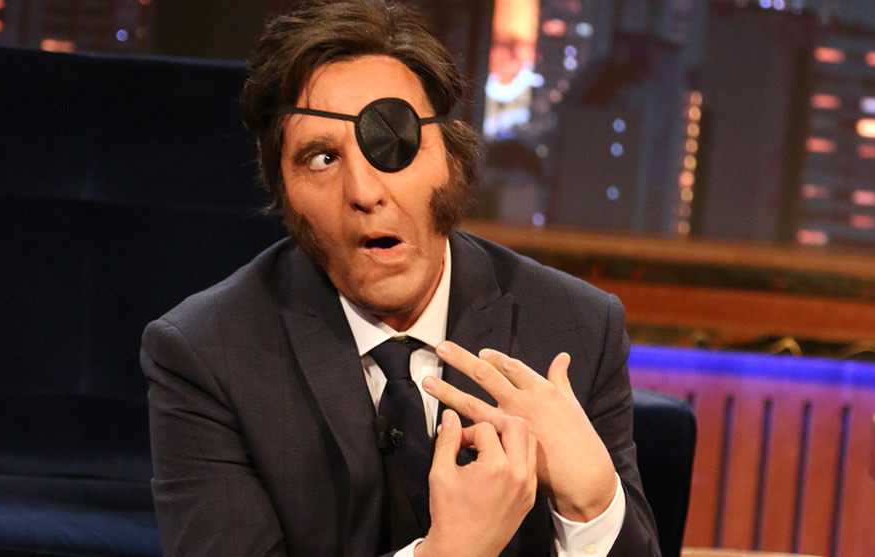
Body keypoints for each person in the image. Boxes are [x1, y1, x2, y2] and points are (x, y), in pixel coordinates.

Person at [140, 0, 660, 555]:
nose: (364, 192)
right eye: (321, 158)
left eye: (391, 140)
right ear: (282, 188)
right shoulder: (206, 355)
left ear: (452, 158)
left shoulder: (577, 328)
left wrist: (593, 506)